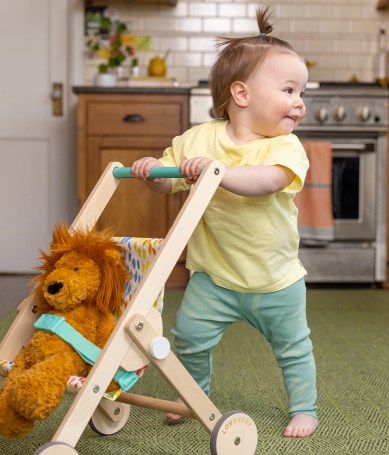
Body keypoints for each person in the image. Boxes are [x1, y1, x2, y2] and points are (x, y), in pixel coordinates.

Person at [130, 5, 318, 438]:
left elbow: (266, 182)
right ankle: (191, 396)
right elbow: (168, 180)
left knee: (293, 348)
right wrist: (151, 173)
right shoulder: (198, 139)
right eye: (289, 89)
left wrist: (217, 172)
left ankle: (304, 409)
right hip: (214, 275)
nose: (299, 102)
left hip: (276, 279)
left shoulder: (285, 148)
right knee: (189, 336)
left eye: (301, 92)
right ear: (241, 94)